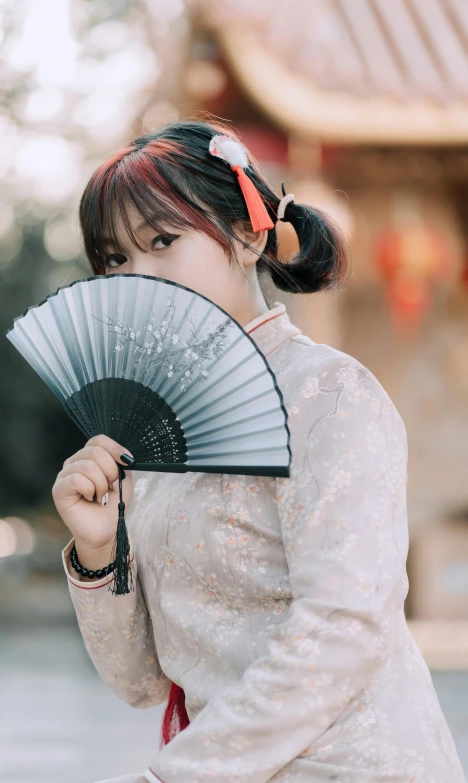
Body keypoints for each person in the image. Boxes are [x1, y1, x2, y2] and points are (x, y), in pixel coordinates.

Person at [52, 119, 466, 783]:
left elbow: (342, 628)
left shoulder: (329, 396)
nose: (139, 276)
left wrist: (177, 774)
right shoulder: (155, 445)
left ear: (248, 235)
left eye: (163, 240)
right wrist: (100, 553)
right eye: (116, 260)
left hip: (354, 765)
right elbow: (144, 683)